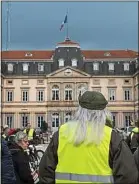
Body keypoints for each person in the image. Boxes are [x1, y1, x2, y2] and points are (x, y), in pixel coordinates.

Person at [39, 91, 138, 184]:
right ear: (104, 113)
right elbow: (128, 176)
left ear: (79, 111)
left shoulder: (62, 133)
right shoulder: (111, 136)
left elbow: (45, 171)